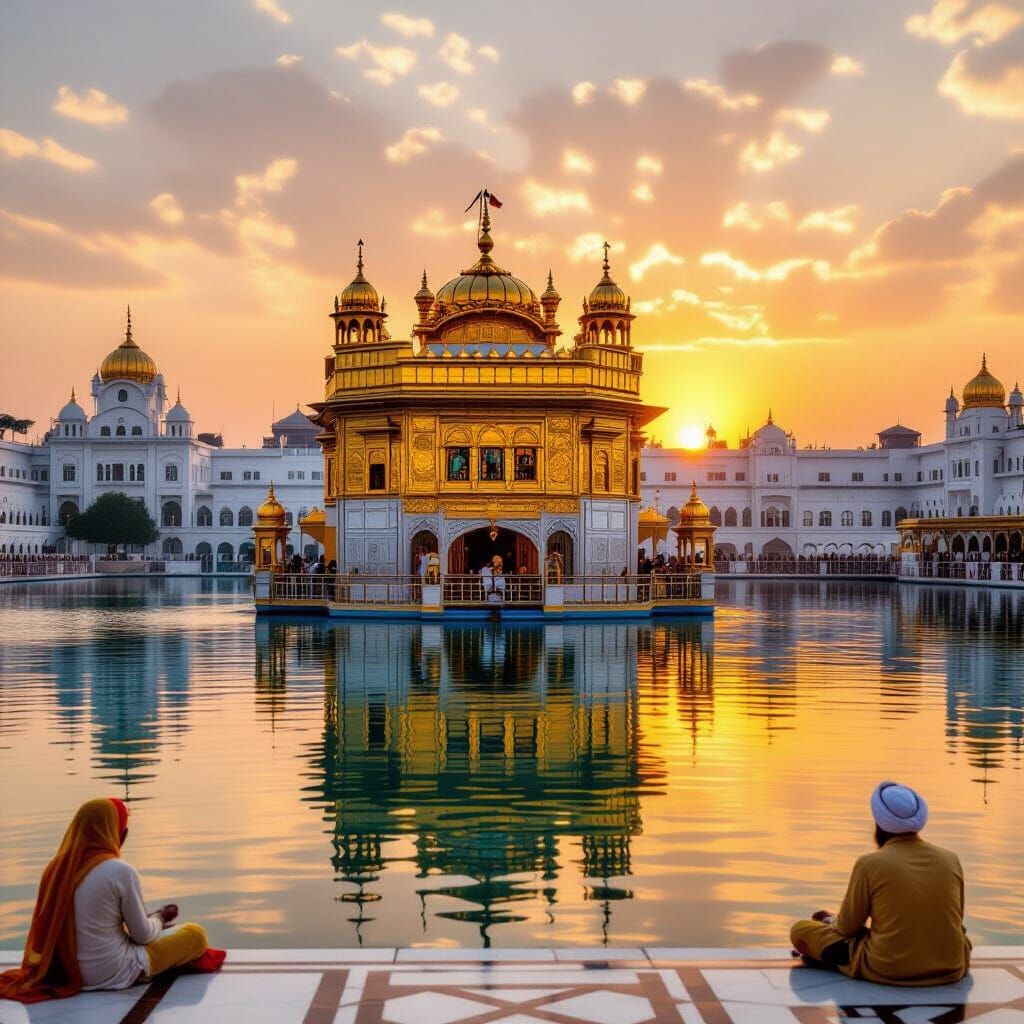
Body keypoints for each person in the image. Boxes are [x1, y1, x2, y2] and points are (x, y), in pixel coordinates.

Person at [0, 798, 222, 1004]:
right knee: (194, 934)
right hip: (110, 971)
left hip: (62, 970)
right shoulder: (119, 870)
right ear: (120, 835)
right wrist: (160, 918)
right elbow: (142, 935)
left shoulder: (56, 869)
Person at [789, 781, 971, 987]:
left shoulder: (870, 863)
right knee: (960, 939)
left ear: (878, 824)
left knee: (801, 930)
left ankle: (833, 948)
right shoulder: (950, 858)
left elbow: (847, 928)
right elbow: (956, 921)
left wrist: (832, 921)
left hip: (888, 968)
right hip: (951, 965)